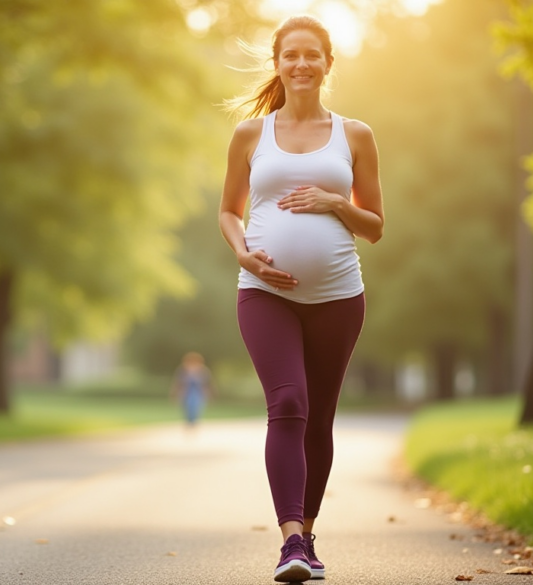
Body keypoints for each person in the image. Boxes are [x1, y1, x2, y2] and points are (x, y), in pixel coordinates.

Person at [218, 14, 384, 583]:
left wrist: (335, 202)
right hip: (265, 293)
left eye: (312, 54)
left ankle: (308, 535)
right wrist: (243, 253)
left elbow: (375, 226)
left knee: (320, 420)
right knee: (289, 403)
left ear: (328, 63)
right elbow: (228, 211)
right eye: (291, 54)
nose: (302, 63)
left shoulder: (355, 135)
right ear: (278, 63)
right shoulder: (250, 134)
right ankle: (290, 541)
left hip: (339, 298)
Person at [169, 351, 213, 428]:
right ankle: (189, 421)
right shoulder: (183, 370)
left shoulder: (203, 371)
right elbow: (178, 383)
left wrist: (209, 393)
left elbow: (207, 383)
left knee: (196, 406)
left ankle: (193, 421)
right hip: (186, 392)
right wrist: (174, 393)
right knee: (186, 406)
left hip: (198, 392)